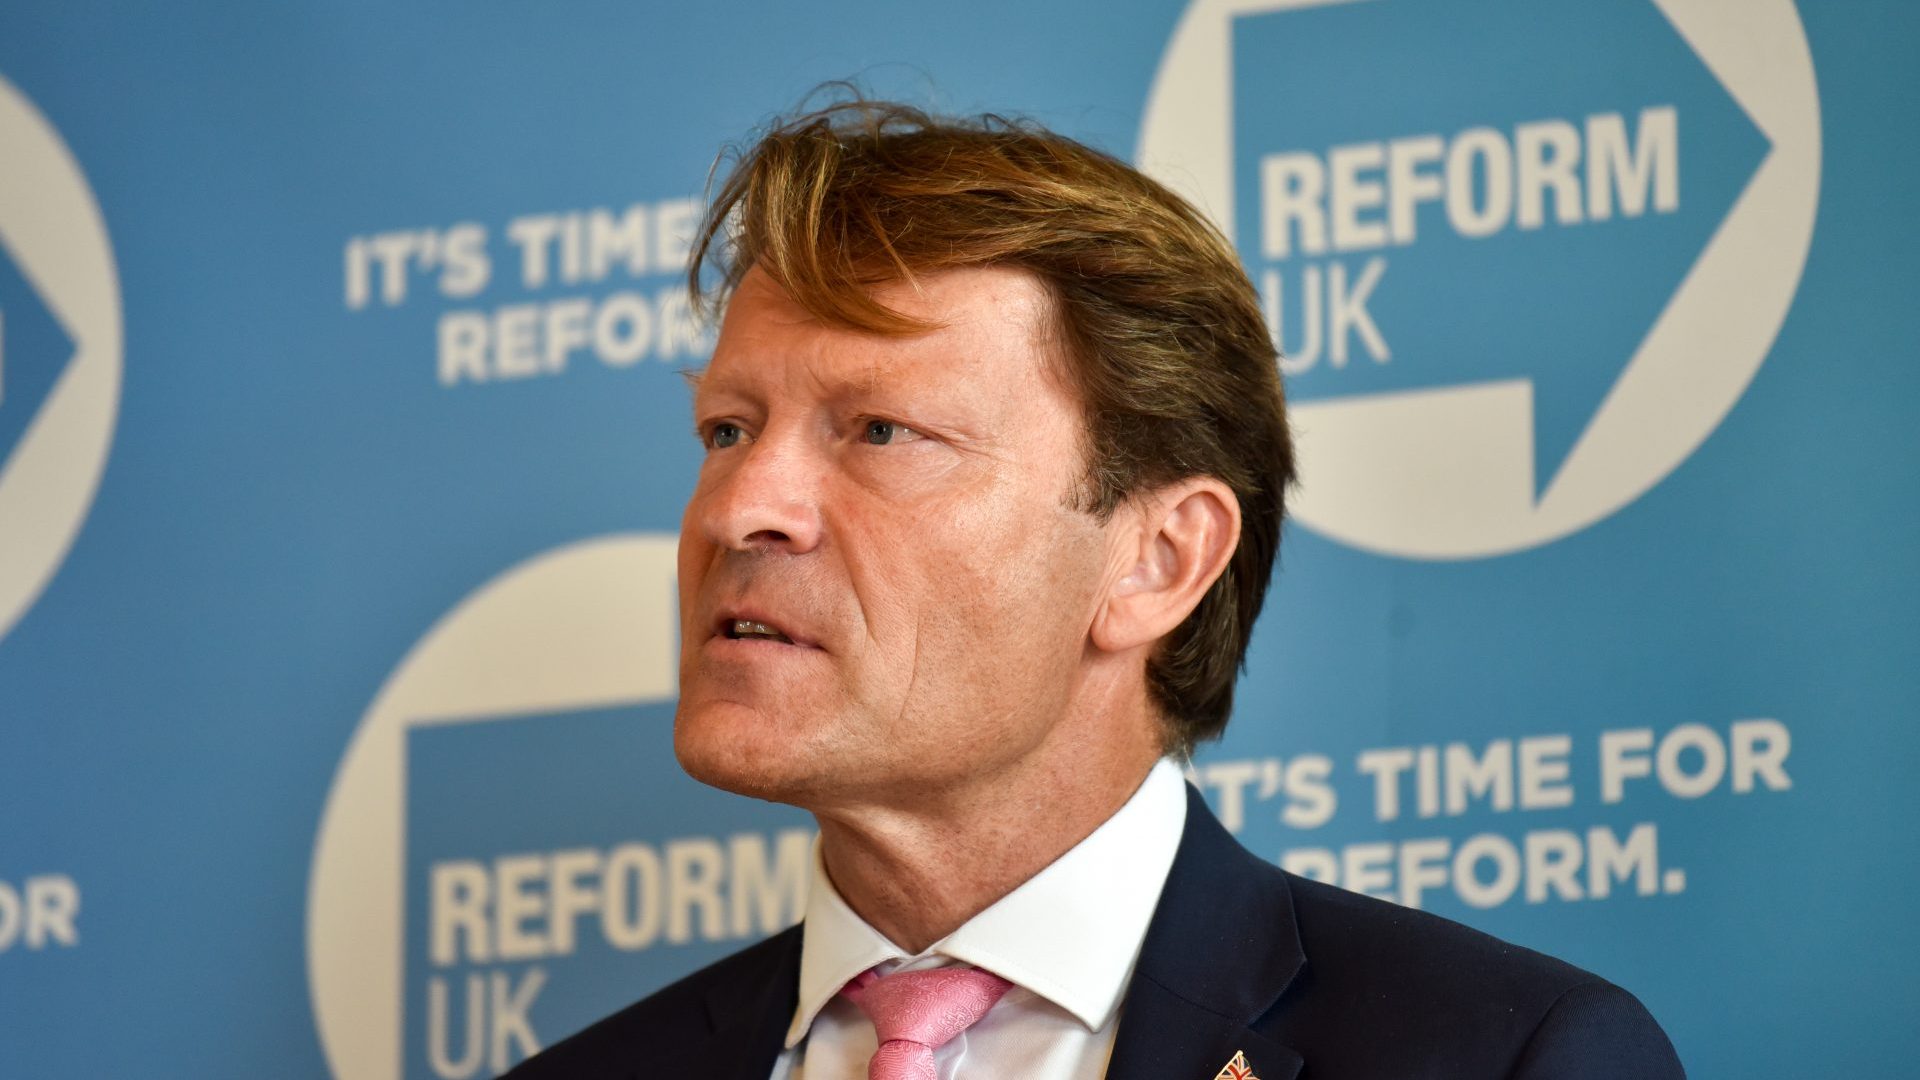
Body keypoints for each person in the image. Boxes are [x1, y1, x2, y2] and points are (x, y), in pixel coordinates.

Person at [509, 97, 1684, 1080]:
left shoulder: (1500, 1059)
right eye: (725, 429)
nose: (736, 508)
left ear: (1158, 559)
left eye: (879, 429)